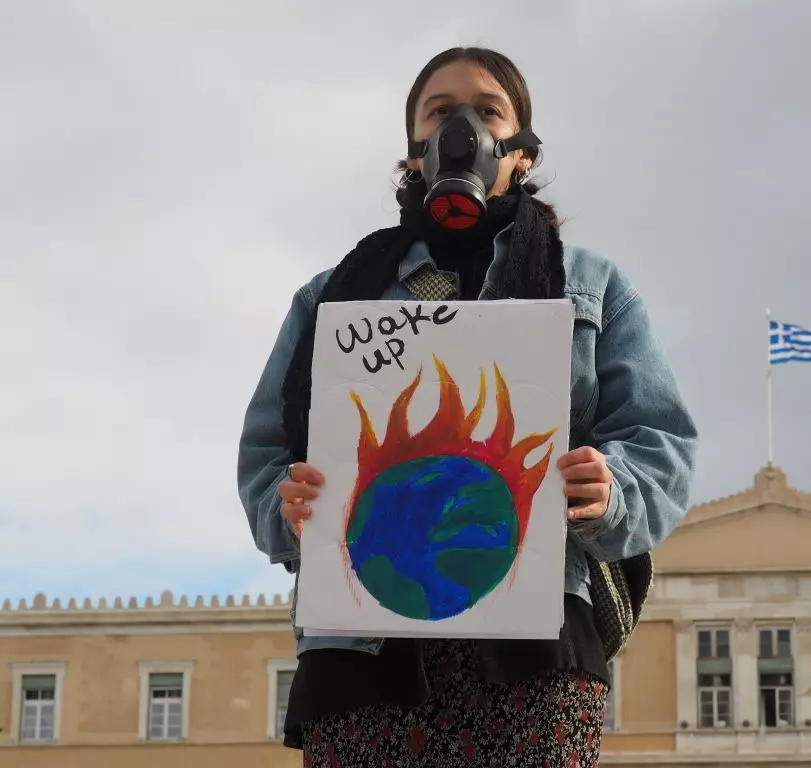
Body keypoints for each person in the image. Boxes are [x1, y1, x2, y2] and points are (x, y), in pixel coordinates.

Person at [238, 46, 697, 768]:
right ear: (415, 152)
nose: (462, 128)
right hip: (359, 657)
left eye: (486, 112)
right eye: (439, 111)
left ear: (520, 151)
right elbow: (266, 456)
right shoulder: (328, 297)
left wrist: (612, 491)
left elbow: (660, 445)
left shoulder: (596, 286)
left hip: (533, 652)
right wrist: (286, 507)